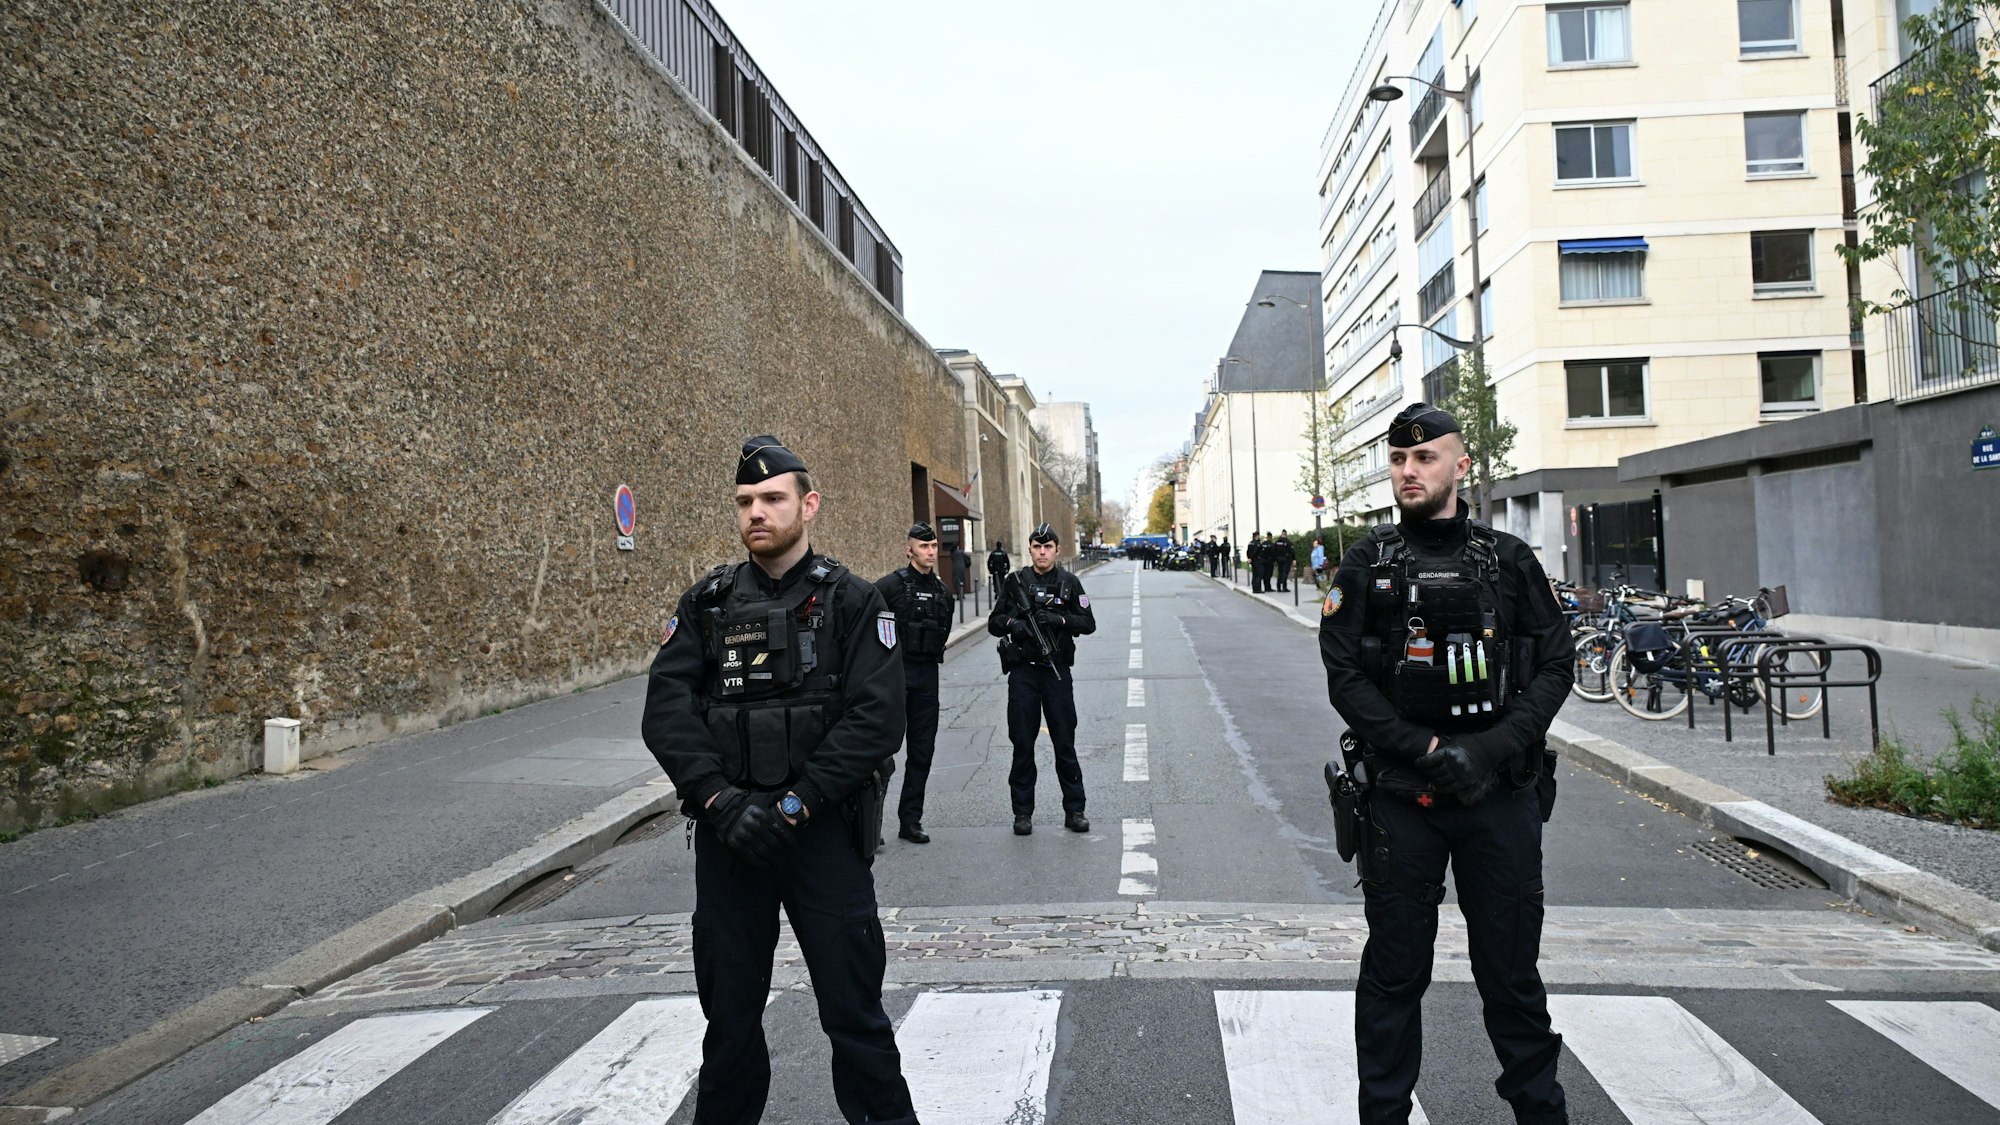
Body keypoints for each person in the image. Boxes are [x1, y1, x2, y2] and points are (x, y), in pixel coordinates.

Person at [641, 436, 918, 1125]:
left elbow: (876, 722)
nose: (756, 512)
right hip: (732, 841)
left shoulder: (853, 602)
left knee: (857, 1021)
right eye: (744, 502)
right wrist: (720, 799)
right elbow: (666, 714)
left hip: (822, 837)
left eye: (771, 498)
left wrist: (797, 801)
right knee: (730, 1030)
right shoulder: (706, 605)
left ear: (808, 504)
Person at [1318, 403, 1575, 1125]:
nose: (1409, 470)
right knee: (1395, 976)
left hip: (1500, 797)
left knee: (1512, 980)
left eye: (1425, 457)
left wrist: (1489, 748)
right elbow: (1344, 676)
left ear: (1461, 465)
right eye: (1399, 459)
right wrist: (1428, 749)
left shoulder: (1509, 560)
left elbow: (1557, 663)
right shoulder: (1367, 564)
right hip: (1404, 800)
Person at [988, 521, 1096, 835]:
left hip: (1057, 672)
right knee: (1022, 743)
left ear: (1057, 550)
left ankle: (1075, 810)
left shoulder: (1069, 582)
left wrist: (1060, 618)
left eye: (1048, 547)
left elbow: (1088, 623)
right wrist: (1014, 625)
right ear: (1031, 549)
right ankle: (1022, 813)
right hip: (1024, 672)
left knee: (1065, 742)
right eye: (1037, 547)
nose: (1042, 552)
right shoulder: (1016, 582)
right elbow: (995, 622)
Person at [876, 523, 954, 845]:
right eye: (924, 546)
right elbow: (870, 622)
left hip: (927, 679)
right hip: (895, 675)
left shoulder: (943, 593)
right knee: (879, 753)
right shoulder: (890, 586)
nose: (931, 552)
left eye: (934, 545)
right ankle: (870, 826)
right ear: (909, 550)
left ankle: (911, 820)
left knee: (922, 752)